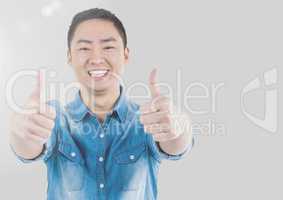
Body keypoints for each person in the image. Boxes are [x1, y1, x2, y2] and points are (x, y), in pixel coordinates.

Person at [9, 8, 194, 200]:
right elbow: (27, 148)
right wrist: (20, 131)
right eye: (84, 48)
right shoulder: (53, 117)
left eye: (108, 47)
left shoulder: (147, 118)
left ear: (126, 55)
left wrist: (180, 126)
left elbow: (176, 145)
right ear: (69, 57)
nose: (96, 59)